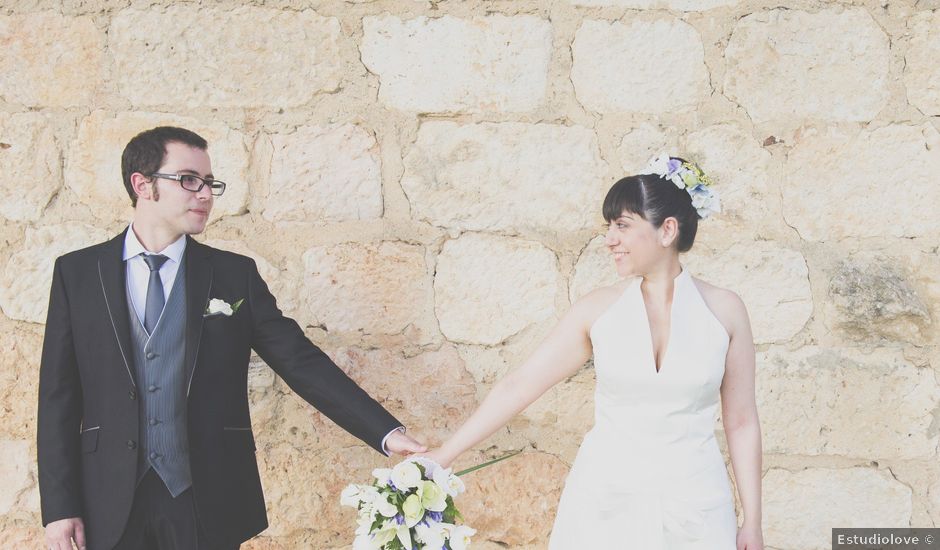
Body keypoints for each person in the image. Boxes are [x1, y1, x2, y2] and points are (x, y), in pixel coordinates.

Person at [37, 126, 427, 550]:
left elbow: (300, 361)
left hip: (204, 496)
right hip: (106, 499)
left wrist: (386, 433)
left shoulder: (233, 275)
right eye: (189, 180)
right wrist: (59, 507)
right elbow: (58, 397)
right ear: (142, 184)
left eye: (210, 183)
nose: (205, 194)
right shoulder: (77, 274)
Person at [423, 154, 764, 549]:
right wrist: (443, 455)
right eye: (609, 227)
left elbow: (741, 421)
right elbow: (520, 385)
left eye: (622, 225)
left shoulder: (725, 311)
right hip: (603, 505)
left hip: (696, 507)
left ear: (667, 230)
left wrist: (752, 522)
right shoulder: (596, 310)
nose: (609, 240)